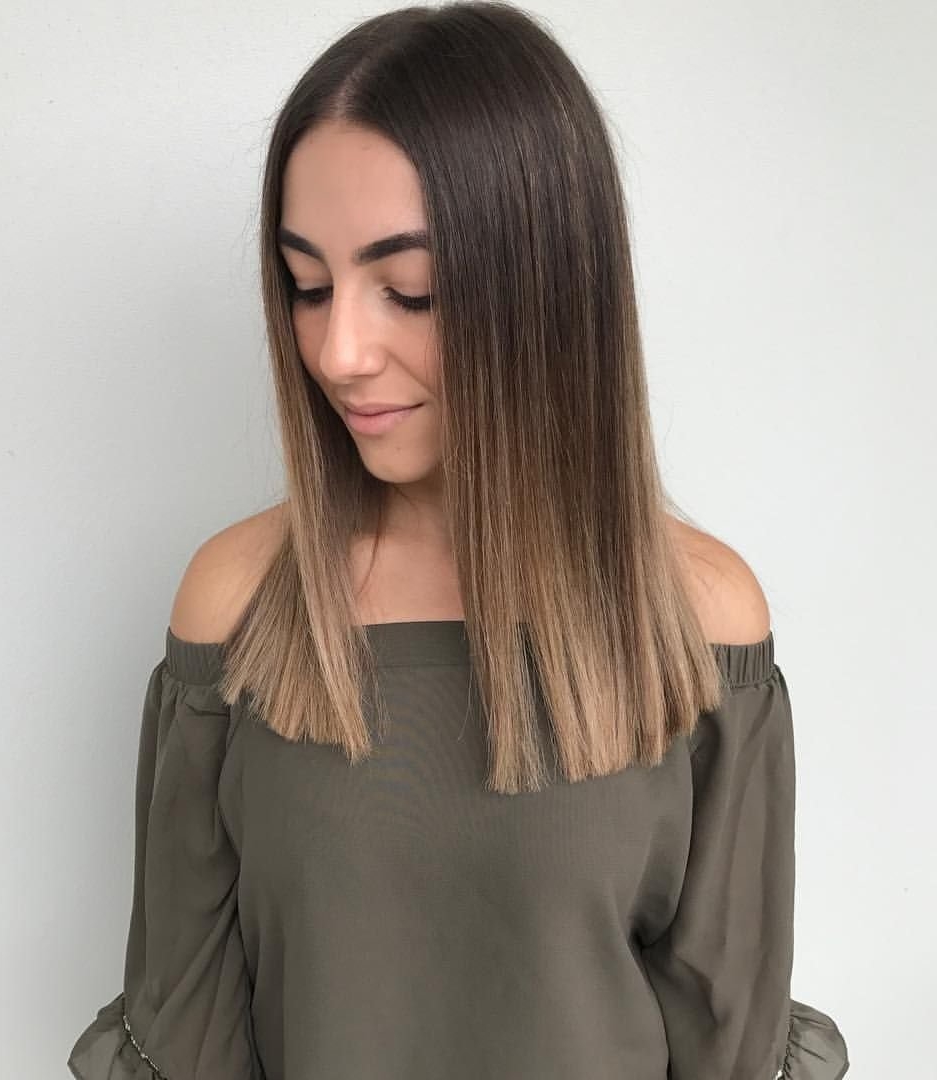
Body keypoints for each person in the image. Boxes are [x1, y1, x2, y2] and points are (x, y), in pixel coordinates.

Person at [68, 3, 850, 1077]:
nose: (338, 351)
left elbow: (727, 1044)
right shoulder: (240, 602)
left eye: (409, 291)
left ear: (548, 287)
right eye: (307, 286)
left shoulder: (698, 618)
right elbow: (189, 1037)